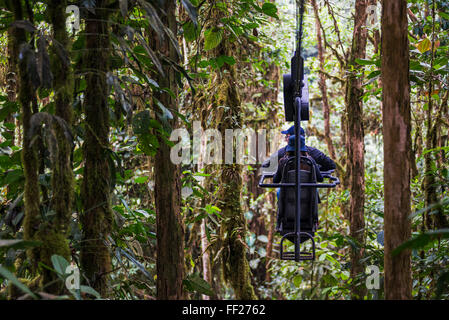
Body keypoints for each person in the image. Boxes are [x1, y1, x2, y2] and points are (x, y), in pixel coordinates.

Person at [262, 125, 336, 172]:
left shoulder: (282, 153)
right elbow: (331, 165)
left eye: (287, 136)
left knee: (279, 192)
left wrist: (281, 170)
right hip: (309, 189)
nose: (285, 139)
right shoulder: (312, 152)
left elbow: (266, 165)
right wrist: (313, 170)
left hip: (287, 189)